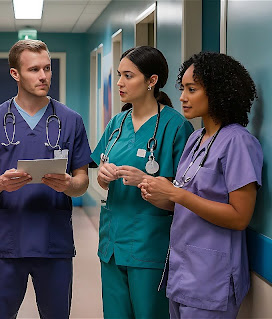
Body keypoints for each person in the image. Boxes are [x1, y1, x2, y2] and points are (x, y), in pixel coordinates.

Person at [0, 39, 92, 319]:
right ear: (15, 74)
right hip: (6, 240)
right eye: (34, 69)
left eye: (47, 68)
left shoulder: (71, 120)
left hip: (54, 240)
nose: (44, 76)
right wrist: (0, 183)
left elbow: (82, 179)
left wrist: (70, 184)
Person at [139, 52, 263, 318]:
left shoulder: (238, 142)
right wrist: (160, 195)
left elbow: (240, 217)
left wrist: (176, 194)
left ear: (218, 92)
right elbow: (187, 200)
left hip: (211, 278)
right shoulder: (196, 139)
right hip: (182, 272)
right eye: (182, 88)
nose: (182, 96)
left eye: (191, 89)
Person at [91, 46, 194, 319]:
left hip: (149, 244)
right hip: (112, 244)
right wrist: (102, 176)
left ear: (152, 81)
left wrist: (145, 181)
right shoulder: (117, 122)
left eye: (128, 75)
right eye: (119, 75)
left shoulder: (176, 126)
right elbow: (103, 175)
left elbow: (183, 197)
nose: (119, 83)